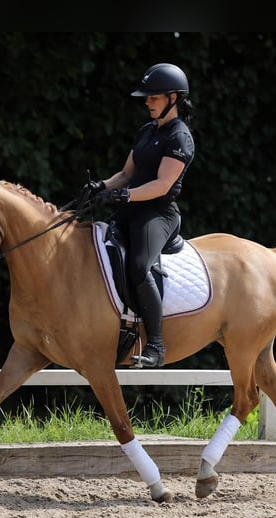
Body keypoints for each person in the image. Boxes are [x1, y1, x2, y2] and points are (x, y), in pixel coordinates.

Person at [82, 62, 195, 368]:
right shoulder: (146, 131)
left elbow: (162, 184)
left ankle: (156, 345)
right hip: (132, 208)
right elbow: (125, 173)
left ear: (173, 98)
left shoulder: (180, 137)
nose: (147, 101)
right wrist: (101, 186)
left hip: (159, 214)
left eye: (153, 97)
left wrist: (126, 194)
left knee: (139, 264)